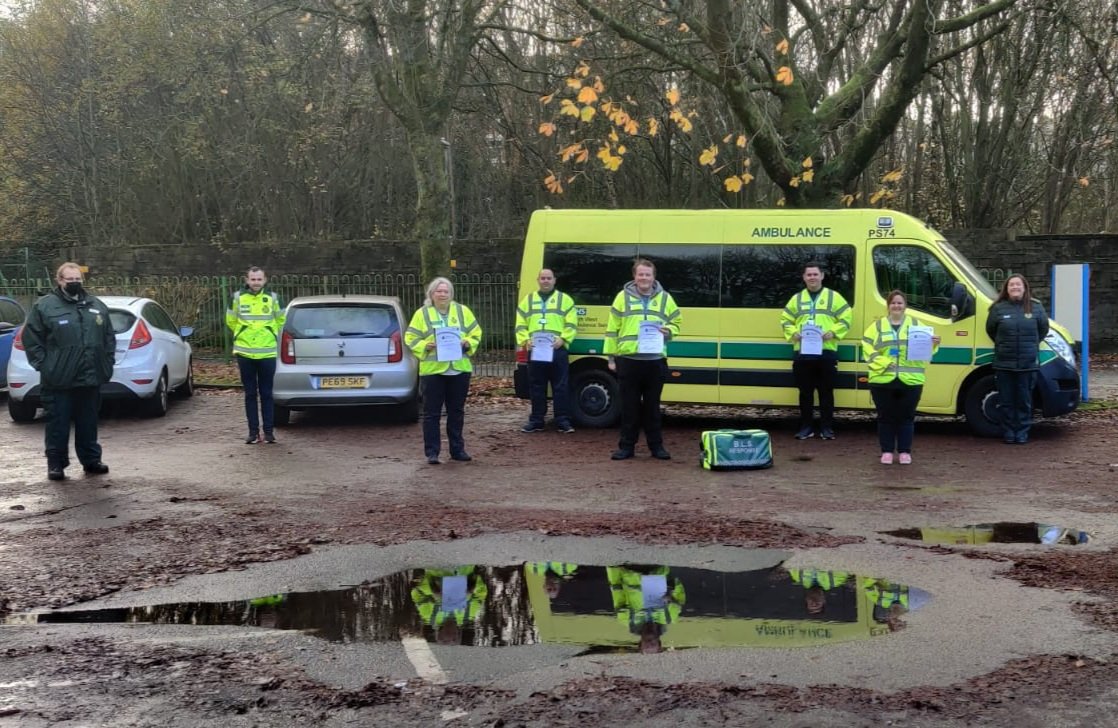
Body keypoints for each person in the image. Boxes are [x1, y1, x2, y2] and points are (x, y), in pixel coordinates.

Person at [22, 262, 116, 482]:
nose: (74, 283)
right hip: (58, 380)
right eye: (69, 280)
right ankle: (56, 464)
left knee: (88, 422)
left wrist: (106, 363)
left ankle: (91, 461)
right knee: (57, 423)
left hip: (90, 377)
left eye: (77, 280)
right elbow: (32, 339)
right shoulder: (45, 306)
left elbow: (108, 338)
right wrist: (45, 365)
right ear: (59, 280)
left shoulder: (96, 305)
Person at [604, 259, 681, 460]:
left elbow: (677, 321)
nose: (644, 278)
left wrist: (670, 331)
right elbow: (612, 329)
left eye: (648, 274)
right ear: (634, 276)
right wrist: (611, 357)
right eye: (641, 274)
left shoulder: (665, 298)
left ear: (654, 277)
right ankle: (626, 447)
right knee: (629, 407)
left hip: (655, 361)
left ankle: (656, 447)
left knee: (652, 408)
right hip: (629, 360)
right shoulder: (622, 297)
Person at [405, 277, 483, 464]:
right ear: (431, 294)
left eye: (446, 291)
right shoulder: (422, 314)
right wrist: (425, 345)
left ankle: (457, 450)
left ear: (451, 294)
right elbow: (410, 337)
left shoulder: (462, 311)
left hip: (459, 369)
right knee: (432, 414)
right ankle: (432, 452)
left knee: (456, 412)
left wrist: (468, 343)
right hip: (433, 372)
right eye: (438, 291)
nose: (442, 294)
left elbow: (476, 332)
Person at [862, 290, 940, 464]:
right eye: (893, 303)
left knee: (907, 417)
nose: (896, 306)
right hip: (882, 380)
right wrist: (883, 362)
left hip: (911, 380)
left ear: (905, 306)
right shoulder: (877, 326)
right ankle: (887, 451)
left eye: (900, 303)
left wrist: (933, 344)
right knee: (885, 417)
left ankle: (905, 452)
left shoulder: (916, 325)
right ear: (888, 306)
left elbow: (925, 353)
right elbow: (866, 348)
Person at [781, 262, 852, 440]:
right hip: (803, 352)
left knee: (826, 392)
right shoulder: (796, 299)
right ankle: (806, 427)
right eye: (809, 275)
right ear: (804, 278)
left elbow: (846, 318)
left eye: (815, 274)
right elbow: (785, 321)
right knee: (805, 393)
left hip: (826, 352)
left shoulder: (834, 297)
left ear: (822, 276)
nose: (812, 277)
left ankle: (826, 428)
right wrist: (793, 333)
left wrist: (833, 332)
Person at [985, 274, 1049, 444]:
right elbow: (991, 330)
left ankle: (1021, 433)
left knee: (1024, 401)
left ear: (1025, 287)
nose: (1015, 287)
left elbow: (1043, 330)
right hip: (1004, 364)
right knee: (1006, 401)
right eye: (1011, 285)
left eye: (1018, 285)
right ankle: (1008, 432)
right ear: (1006, 288)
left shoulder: (1035, 307)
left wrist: (1030, 346)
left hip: (1027, 364)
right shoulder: (998, 308)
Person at [226, 267, 284, 444]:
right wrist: (242, 332)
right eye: (253, 279)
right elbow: (230, 320)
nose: (256, 283)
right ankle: (253, 433)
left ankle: (268, 432)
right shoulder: (237, 298)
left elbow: (281, 319)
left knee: (267, 394)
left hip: (267, 352)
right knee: (250, 394)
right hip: (245, 352)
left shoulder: (273, 298)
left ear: (265, 280)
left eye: (259, 279)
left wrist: (269, 332)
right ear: (247, 280)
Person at [515, 268, 579, 434]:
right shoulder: (528, 300)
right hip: (535, 349)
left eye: (548, 278)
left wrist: (564, 339)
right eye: (542, 278)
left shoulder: (565, 300)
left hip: (557, 349)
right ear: (538, 280)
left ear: (554, 280)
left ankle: (562, 421)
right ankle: (537, 420)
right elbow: (520, 323)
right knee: (537, 386)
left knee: (561, 386)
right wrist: (525, 340)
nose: (545, 281)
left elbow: (572, 323)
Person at [607, 565, 686, 654]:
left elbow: (616, 589)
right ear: (659, 643)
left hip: (629, 569)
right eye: (653, 645)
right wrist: (670, 593)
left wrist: (612, 567)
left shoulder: (626, 620)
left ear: (640, 644)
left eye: (647, 647)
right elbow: (678, 586)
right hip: (656, 567)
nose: (650, 644)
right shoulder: (670, 617)